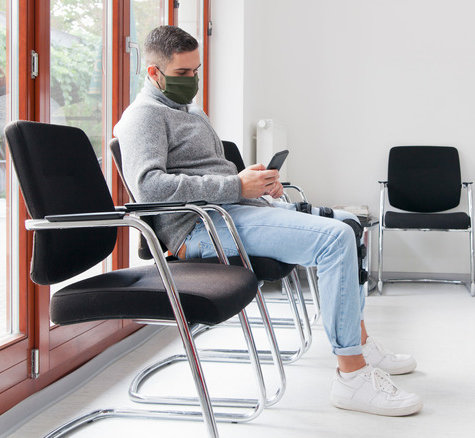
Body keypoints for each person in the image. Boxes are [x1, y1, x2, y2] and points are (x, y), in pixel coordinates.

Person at [114, 25, 422, 417]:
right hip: (200, 229)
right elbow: (149, 187)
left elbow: (215, 175)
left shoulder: (190, 111)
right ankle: (352, 377)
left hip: (236, 211)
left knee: (351, 225)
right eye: (182, 74)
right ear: (153, 73)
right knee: (334, 240)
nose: (192, 81)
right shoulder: (144, 117)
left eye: (196, 71)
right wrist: (236, 186)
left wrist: (256, 184)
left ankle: (358, 341)